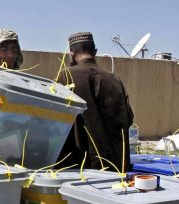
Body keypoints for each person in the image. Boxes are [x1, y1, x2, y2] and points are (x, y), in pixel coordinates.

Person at [56, 32, 134, 171]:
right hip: (114, 166)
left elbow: (55, 119)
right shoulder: (114, 80)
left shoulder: (66, 76)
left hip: (79, 167)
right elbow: (128, 119)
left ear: (71, 54)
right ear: (95, 52)